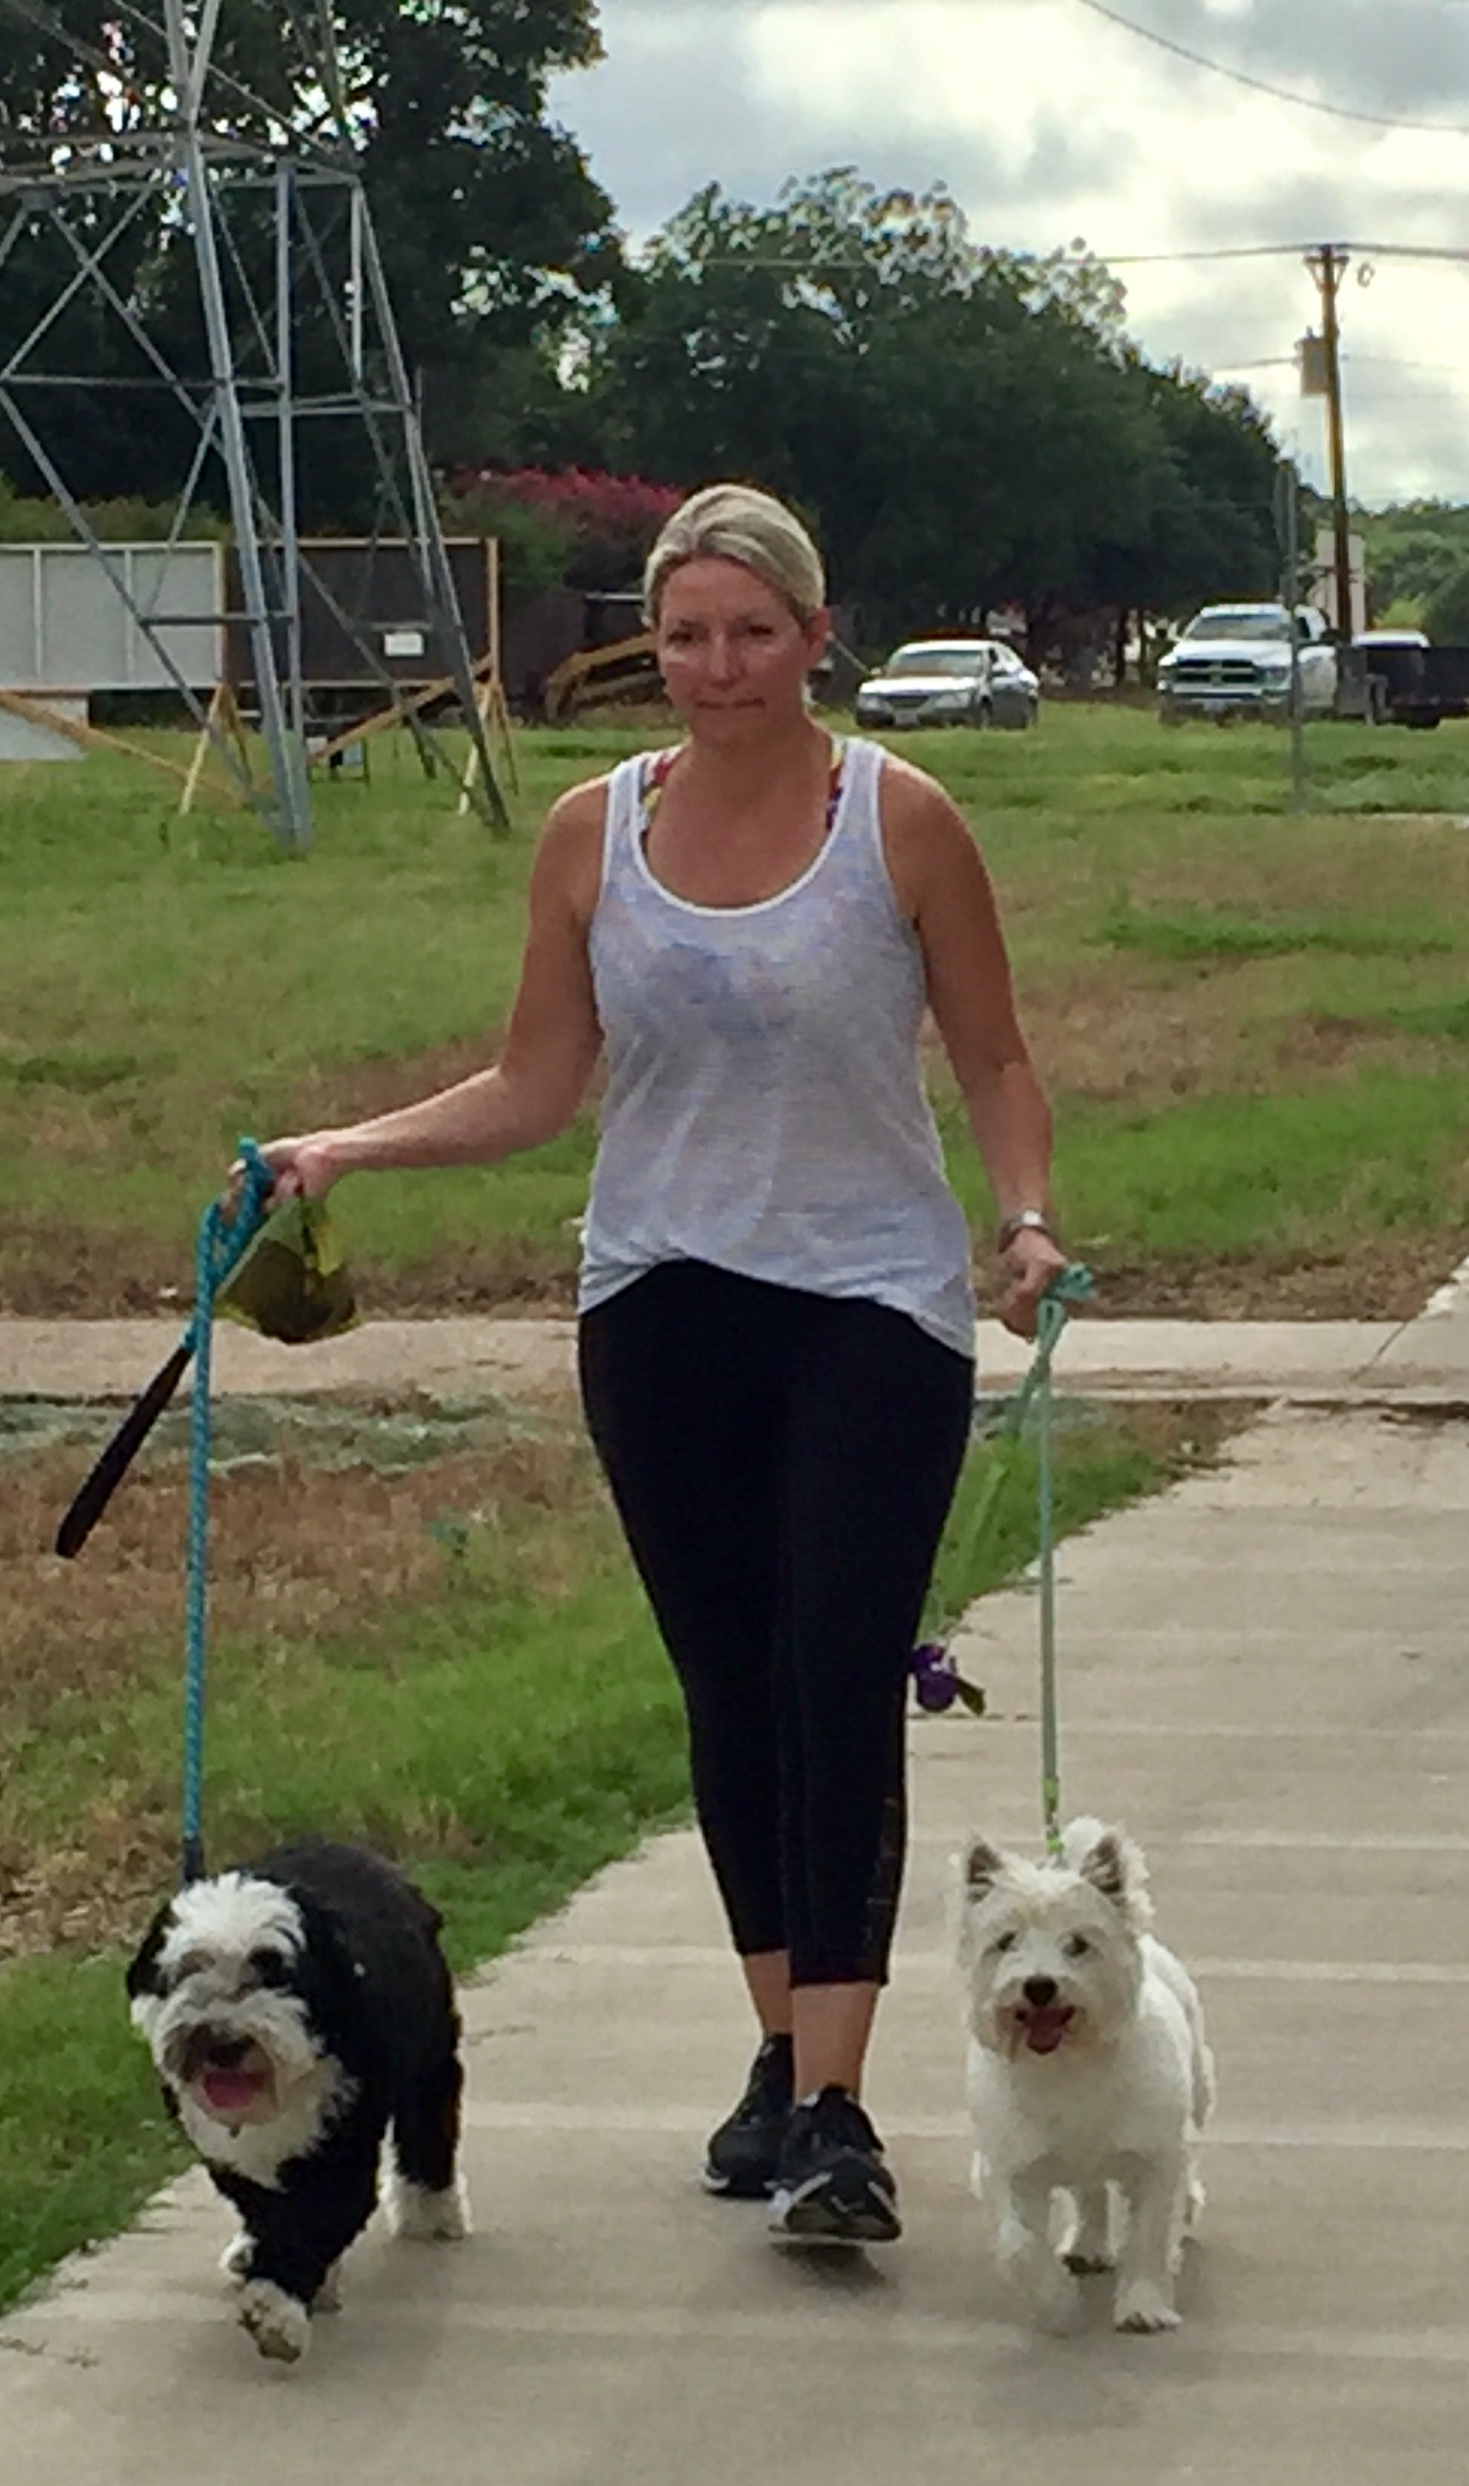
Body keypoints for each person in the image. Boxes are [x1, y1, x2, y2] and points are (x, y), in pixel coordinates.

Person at [239, 483, 1069, 2250]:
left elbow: (994, 1056)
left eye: (750, 632)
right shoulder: (588, 834)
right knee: (731, 1686)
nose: (715, 666)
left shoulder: (900, 822)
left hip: (868, 1303)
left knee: (838, 1677)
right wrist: (344, 1148)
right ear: (654, 643)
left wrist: (1023, 1217)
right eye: (685, 634)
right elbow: (536, 1084)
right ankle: (779, 2051)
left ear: (812, 637)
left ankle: (839, 2110)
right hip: (661, 1303)